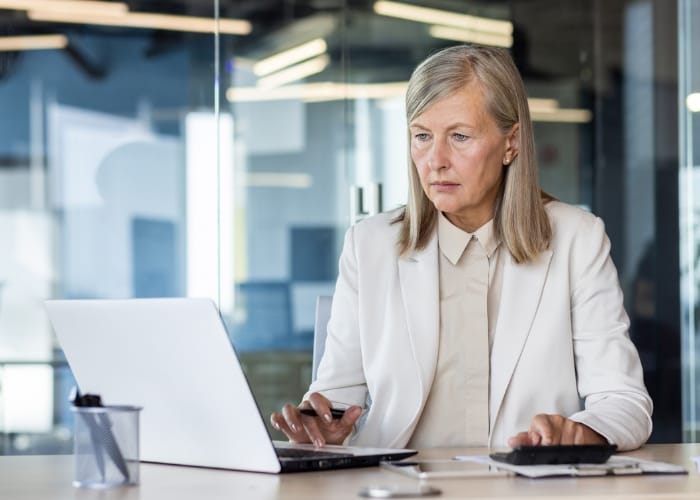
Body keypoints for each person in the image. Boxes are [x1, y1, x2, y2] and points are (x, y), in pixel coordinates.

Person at [270, 44, 653, 451]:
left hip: (522, 488)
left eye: (459, 136)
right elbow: (336, 395)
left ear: (511, 143)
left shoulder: (578, 239)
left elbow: (624, 401)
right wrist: (325, 424)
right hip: (399, 488)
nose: (435, 160)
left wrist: (582, 432)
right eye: (422, 136)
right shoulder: (370, 245)